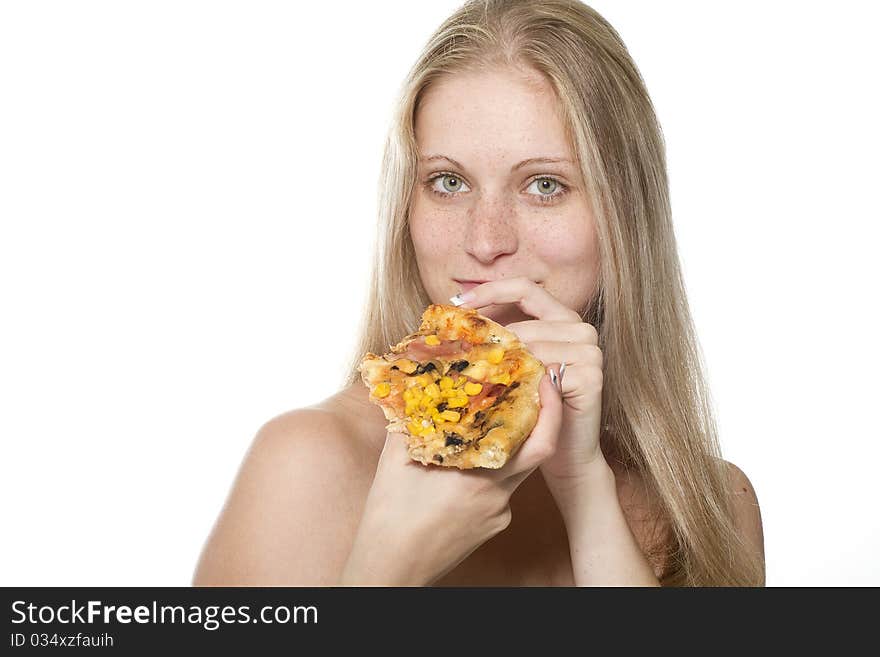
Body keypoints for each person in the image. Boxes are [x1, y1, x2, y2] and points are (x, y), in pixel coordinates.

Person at [192, 0, 764, 587]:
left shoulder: (712, 505)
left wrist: (587, 491)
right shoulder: (304, 465)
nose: (486, 241)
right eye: (448, 181)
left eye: (545, 185)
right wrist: (388, 566)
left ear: (626, 214)